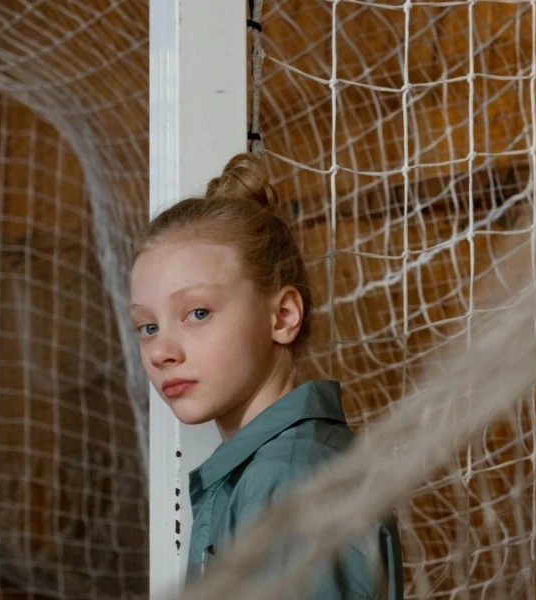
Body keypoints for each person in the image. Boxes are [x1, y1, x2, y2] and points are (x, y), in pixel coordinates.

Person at [129, 152, 404, 598]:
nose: (161, 351)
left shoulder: (289, 480)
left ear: (282, 315)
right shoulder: (267, 470)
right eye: (148, 326)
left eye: (198, 313)